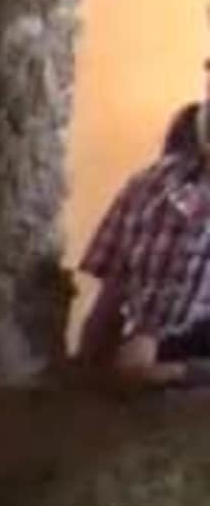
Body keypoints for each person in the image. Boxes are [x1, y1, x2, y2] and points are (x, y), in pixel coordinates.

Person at [75, 88, 210, 374]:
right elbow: (109, 300)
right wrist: (85, 372)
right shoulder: (149, 187)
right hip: (134, 381)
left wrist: (180, 368)